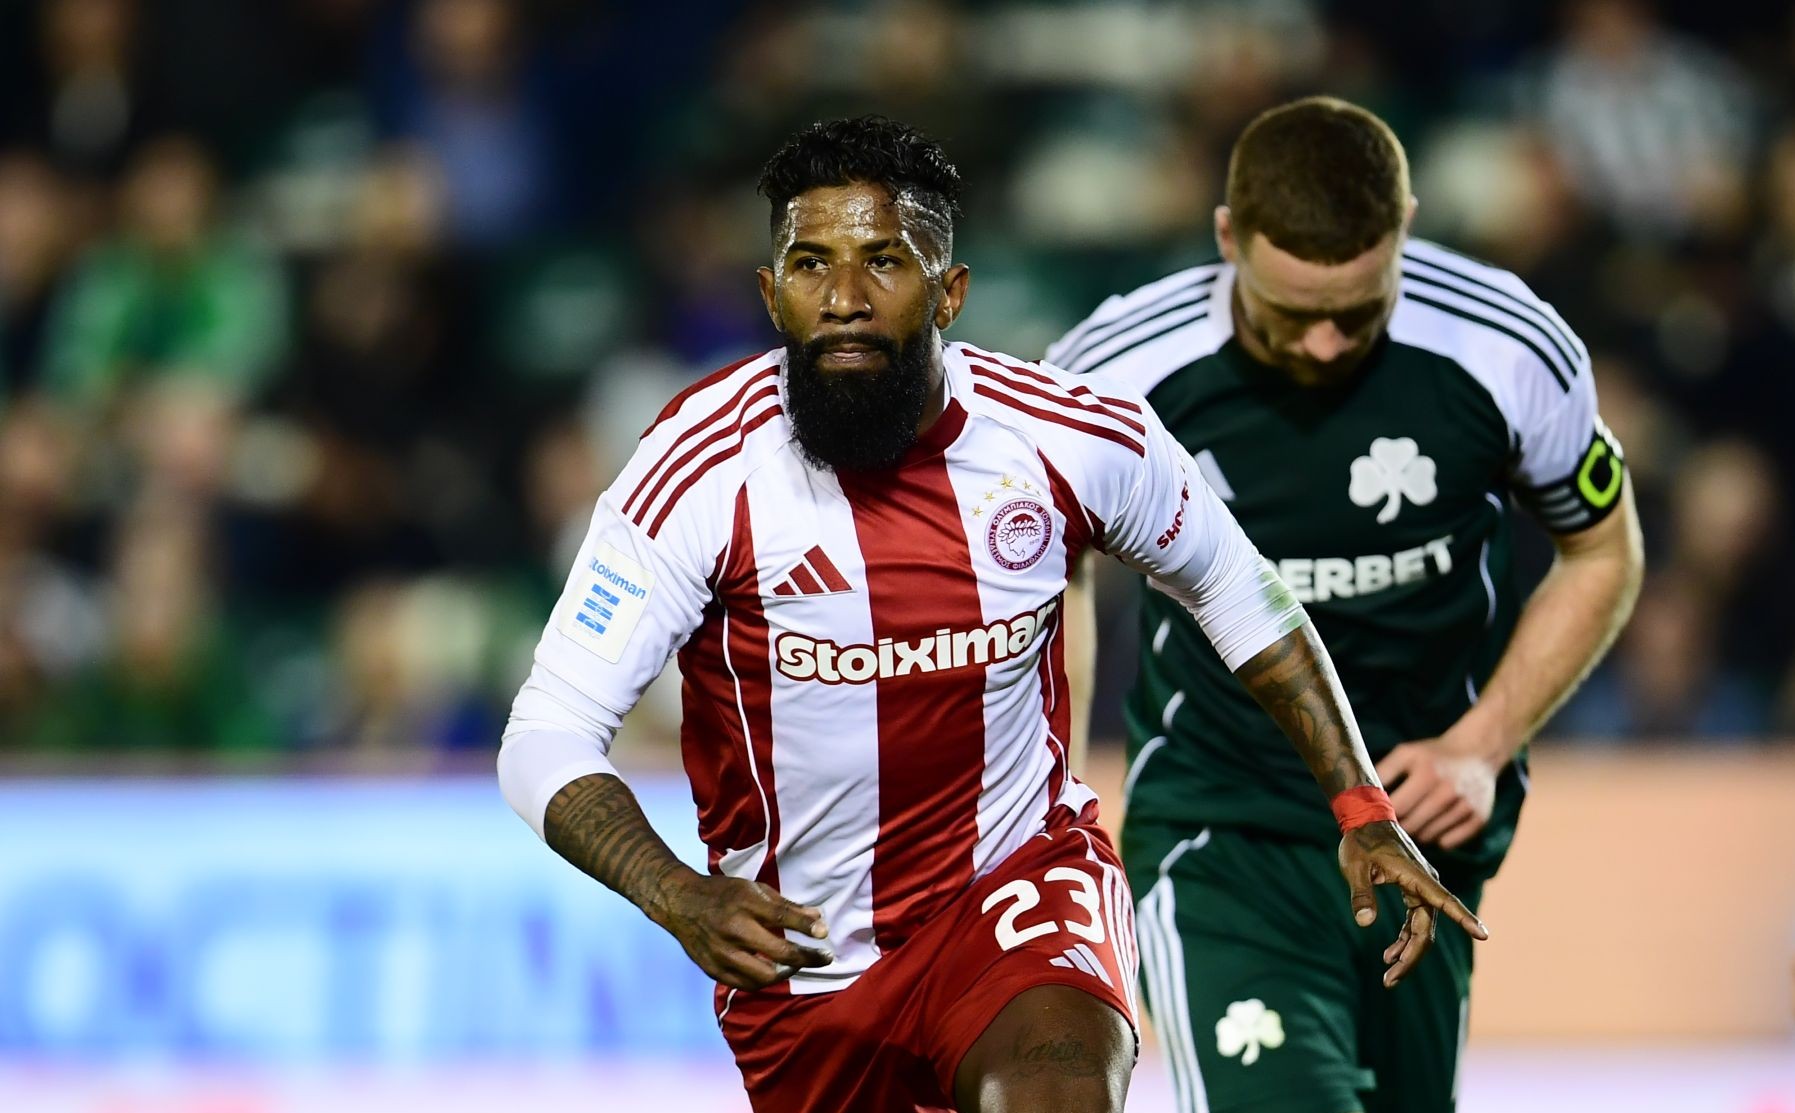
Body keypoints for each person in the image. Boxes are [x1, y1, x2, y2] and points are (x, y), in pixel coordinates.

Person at [497, 115, 1482, 1113]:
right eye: (810, 264)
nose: (844, 299)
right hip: (806, 958)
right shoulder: (699, 470)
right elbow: (546, 733)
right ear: (770, 293)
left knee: (1055, 1090)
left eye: (885, 261)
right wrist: (675, 893)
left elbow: (1238, 589)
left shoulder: (1068, 438)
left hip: (1018, 887)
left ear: (950, 292)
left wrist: (1361, 808)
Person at [1048, 96, 1642, 1113]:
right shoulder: (1112, 372)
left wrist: (1482, 745)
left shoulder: (1509, 349)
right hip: (1222, 821)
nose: (1324, 345)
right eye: (1291, 314)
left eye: (1358, 312)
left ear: (1403, 227)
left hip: (1423, 831)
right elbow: (1044, 571)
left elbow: (1602, 551)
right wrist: (1048, 789)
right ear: (1227, 238)